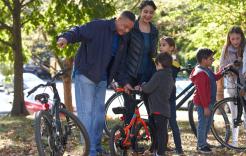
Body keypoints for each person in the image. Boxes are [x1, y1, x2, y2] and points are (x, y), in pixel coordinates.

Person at [56, 11, 135, 156]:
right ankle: (89, 150)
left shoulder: (123, 39)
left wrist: (125, 82)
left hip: (102, 79)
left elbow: (119, 64)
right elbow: (78, 31)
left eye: (129, 28)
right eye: (125, 26)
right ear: (118, 19)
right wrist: (65, 38)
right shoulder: (99, 26)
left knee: (99, 116)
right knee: (87, 115)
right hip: (85, 74)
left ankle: (96, 147)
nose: (126, 30)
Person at [116, 1, 158, 153]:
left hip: (147, 73)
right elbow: (123, 51)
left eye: (151, 12)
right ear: (140, 11)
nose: (148, 15)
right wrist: (122, 77)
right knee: (130, 108)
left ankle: (155, 145)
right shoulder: (131, 28)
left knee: (152, 109)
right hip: (131, 73)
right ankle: (127, 141)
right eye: (145, 11)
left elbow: (153, 53)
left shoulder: (154, 30)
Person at [219, 26, 246, 147]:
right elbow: (221, 66)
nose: (235, 41)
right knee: (234, 115)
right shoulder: (226, 49)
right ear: (229, 38)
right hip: (232, 83)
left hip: (245, 82)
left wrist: (243, 64)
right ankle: (234, 142)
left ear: (241, 37)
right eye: (232, 39)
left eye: (237, 38)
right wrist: (230, 66)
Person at [135, 52, 174, 156]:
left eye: (156, 64)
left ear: (159, 64)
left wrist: (142, 85)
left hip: (157, 108)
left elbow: (148, 88)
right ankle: (157, 151)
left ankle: (160, 152)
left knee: (159, 133)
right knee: (162, 132)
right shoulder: (169, 76)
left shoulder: (158, 75)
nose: (156, 67)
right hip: (165, 109)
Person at [190, 48, 223, 154]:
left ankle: (203, 142)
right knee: (203, 124)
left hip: (209, 102)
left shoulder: (207, 69)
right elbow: (202, 92)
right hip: (203, 103)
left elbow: (214, 77)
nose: (213, 60)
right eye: (210, 58)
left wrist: (223, 71)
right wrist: (205, 107)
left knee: (208, 123)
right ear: (204, 60)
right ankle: (201, 145)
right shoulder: (200, 73)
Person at [159, 36, 184, 154]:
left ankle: (179, 148)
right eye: (160, 45)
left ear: (172, 48)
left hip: (169, 97)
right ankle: (161, 146)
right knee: (161, 123)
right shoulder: (158, 60)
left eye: (164, 45)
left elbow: (170, 74)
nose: (161, 47)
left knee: (173, 123)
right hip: (159, 96)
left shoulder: (174, 63)